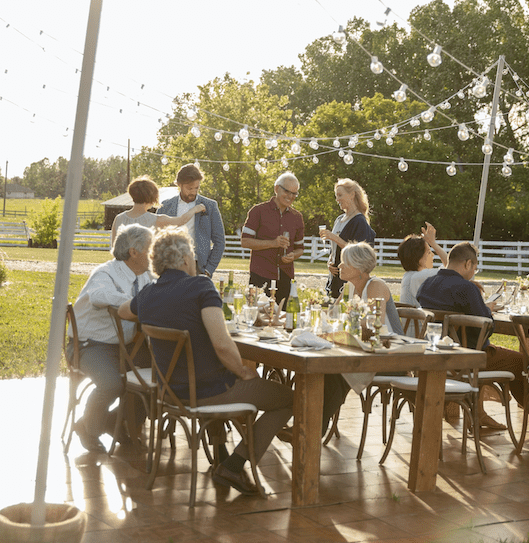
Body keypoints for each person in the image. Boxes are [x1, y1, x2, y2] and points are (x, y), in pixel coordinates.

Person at [120, 227, 293, 496]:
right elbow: (223, 345)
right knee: (290, 399)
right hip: (207, 394)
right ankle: (234, 465)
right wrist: (242, 371)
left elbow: (122, 310)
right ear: (186, 259)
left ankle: (223, 455)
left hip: (170, 393)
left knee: (213, 372)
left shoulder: (148, 294)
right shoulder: (201, 286)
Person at [417, 242, 529, 432]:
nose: (474, 272)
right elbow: (487, 329)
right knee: (523, 362)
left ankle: (480, 413)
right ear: (468, 264)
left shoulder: (427, 284)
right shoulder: (466, 288)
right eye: (475, 268)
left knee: (494, 351)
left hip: (436, 354)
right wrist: (486, 311)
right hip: (467, 357)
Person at [70, 224, 155, 453]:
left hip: (126, 346)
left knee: (162, 379)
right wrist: (135, 303)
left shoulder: (145, 276)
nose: (154, 254)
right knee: (111, 384)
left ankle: (111, 421)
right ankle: (88, 427)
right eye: (151, 248)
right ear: (133, 252)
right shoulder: (106, 273)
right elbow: (98, 296)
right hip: (90, 345)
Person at [317, 242, 406, 436]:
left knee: (336, 371)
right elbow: (333, 316)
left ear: (357, 267)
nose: (339, 266)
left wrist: (343, 319)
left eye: (343, 262)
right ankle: (313, 425)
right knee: (324, 369)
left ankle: (314, 428)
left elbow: (374, 325)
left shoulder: (376, 286)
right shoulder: (350, 287)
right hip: (363, 353)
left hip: (391, 356)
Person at [240, 172, 304, 309]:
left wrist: (294, 255)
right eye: (287, 191)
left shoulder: (297, 217)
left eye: (294, 193)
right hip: (260, 275)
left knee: (285, 319)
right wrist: (273, 243)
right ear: (276, 189)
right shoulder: (257, 211)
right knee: (257, 318)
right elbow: (245, 241)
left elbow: (300, 248)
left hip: (286, 278)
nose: (290, 196)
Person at [157, 163, 225, 278]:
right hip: (169, 265)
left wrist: (208, 270)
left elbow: (220, 241)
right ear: (179, 184)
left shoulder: (210, 206)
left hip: (198, 267)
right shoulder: (165, 206)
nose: (193, 192)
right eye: (189, 188)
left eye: (196, 188)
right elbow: (156, 237)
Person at [109, 176, 206, 247]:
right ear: (152, 196)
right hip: (146, 271)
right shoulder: (156, 220)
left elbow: (114, 248)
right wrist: (195, 209)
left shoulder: (119, 218)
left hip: (123, 271)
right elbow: (182, 220)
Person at [320, 178, 375, 298]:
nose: (337, 199)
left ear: (352, 195)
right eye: (336, 196)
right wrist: (330, 262)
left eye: (340, 195)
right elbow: (334, 250)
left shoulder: (359, 221)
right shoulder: (339, 219)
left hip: (349, 280)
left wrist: (334, 237)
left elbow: (359, 254)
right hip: (334, 278)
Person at [397, 222, 448, 306]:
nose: (433, 255)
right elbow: (452, 267)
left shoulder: (409, 276)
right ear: (419, 258)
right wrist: (433, 243)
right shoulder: (419, 277)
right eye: (428, 252)